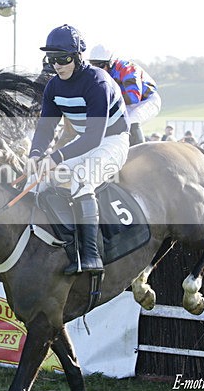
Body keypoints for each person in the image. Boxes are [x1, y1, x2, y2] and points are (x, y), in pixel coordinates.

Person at [28, 24, 129, 275]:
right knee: (38, 180)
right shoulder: (53, 87)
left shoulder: (97, 82)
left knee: (82, 179)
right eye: (51, 60)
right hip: (86, 140)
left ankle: (91, 256)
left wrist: (57, 156)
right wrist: (36, 155)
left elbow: (95, 137)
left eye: (63, 58)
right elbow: (44, 129)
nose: (57, 65)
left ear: (77, 55)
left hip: (112, 140)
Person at [88, 44, 160, 146]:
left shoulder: (127, 68)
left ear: (111, 62)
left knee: (131, 121)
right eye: (93, 65)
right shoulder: (100, 74)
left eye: (100, 65)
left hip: (146, 101)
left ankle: (139, 152)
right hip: (125, 102)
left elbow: (133, 97)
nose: (97, 70)